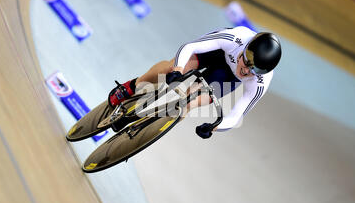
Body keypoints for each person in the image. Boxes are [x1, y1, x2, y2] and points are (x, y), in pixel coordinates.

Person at [108, 26, 282, 139]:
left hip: (227, 76)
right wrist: (177, 70)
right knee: (169, 69)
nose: (246, 71)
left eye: (254, 71)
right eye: (246, 62)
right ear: (246, 49)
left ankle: (143, 126)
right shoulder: (236, 37)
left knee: (189, 103)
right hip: (215, 52)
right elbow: (190, 47)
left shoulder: (261, 82)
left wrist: (215, 126)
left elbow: (237, 115)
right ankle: (132, 86)